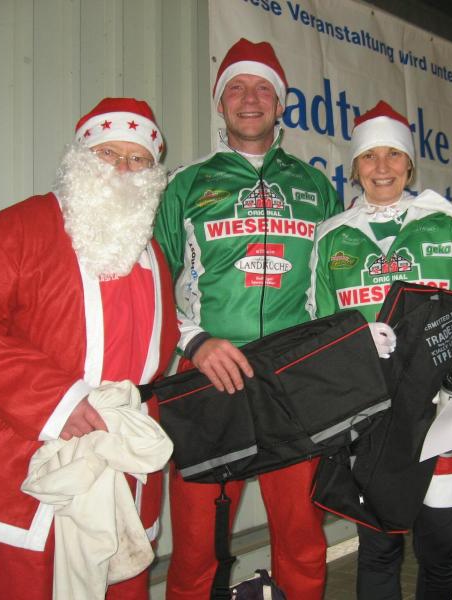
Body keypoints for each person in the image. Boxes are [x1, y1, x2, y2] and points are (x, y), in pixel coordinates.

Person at [0, 97, 180, 599]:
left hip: (122, 457)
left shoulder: (152, 252)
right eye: (107, 152)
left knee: (124, 585)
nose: (122, 169)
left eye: (137, 159)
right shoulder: (15, 229)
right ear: (79, 158)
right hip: (31, 452)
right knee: (27, 585)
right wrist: (58, 401)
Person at [153, 38, 341, 599]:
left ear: (281, 104)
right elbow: (153, 282)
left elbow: (336, 287)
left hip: (293, 380)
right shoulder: (185, 183)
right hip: (208, 373)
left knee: (302, 538)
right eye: (236, 87)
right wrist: (194, 342)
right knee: (196, 546)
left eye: (263, 88)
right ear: (221, 103)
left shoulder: (316, 187)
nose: (250, 98)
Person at [306, 100, 452, 600]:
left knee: (440, 547)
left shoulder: (446, 226)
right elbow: (321, 326)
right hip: (371, 419)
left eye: (393, 155)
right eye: (370, 157)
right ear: (355, 168)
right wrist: (352, 349)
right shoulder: (332, 238)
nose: (382, 167)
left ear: (410, 165)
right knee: (379, 547)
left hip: (438, 413)